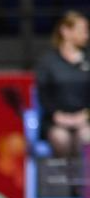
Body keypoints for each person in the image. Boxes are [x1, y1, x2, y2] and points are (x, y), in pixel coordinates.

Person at [35, 11, 90, 157]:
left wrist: (85, 115)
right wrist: (58, 116)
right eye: (83, 30)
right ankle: (66, 172)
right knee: (61, 139)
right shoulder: (48, 62)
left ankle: (84, 172)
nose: (87, 35)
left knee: (86, 136)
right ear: (65, 31)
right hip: (55, 120)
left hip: (85, 119)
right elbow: (43, 96)